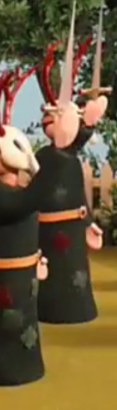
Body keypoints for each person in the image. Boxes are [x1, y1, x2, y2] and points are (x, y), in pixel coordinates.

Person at [35, 5, 106, 324]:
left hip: (74, 229)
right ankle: (49, 308)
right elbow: (32, 194)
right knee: (52, 274)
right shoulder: (44, 158)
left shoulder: (72, 160)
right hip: (47, 230)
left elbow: (79, 195)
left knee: (76, 273)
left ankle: (79, 307)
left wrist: (88, 221)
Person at [0, 67, 56, 385]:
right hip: (7, 277)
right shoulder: (10, 197)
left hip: (23, 274)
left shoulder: (20, 192)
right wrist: (50, 160)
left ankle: (24, 365)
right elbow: (24, 203)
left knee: (23, 325)